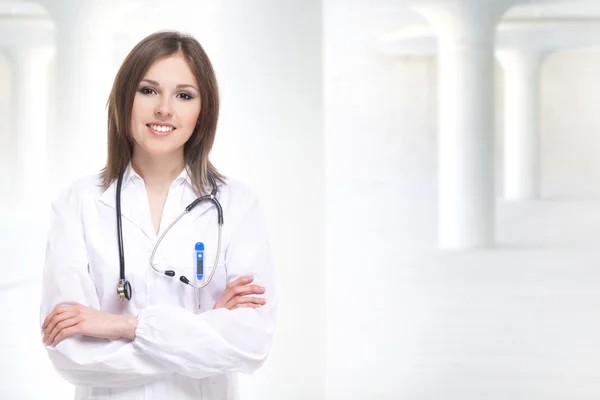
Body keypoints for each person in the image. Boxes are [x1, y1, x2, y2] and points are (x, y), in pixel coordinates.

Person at [39, 30, 278, 399]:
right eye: (148, 90)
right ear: (125, 99)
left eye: (184, 95)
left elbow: (251, 344)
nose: (164, 108)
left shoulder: (237, 206)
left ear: (202, 111)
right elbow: (70, 353)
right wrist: (203, 331)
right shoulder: (78, 204)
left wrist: (122, 326)